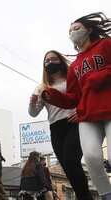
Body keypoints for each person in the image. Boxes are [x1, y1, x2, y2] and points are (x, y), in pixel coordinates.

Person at [42, 12, 111, 199]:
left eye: (76, 28)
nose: (72, 32)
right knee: (91, 157)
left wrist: (101, 75)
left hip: (109, 108)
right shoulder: (74, 66)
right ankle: (106, 194)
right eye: (70, 30)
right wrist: (53, 96)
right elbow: (73, 97)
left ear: (88, 29)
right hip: (87, 113)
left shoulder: (106, 45)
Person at [29, 50, 93, 200]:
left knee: (71, 160)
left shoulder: (73, 78)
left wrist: (81, 111)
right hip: (56, 128)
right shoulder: (42, 87)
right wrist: (32, 103)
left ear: (61, 61)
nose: (50, 62)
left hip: (74, 122)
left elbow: (86, 96)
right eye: (47, 61)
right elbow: (33, 112)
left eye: (53, 59)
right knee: (67, 168)